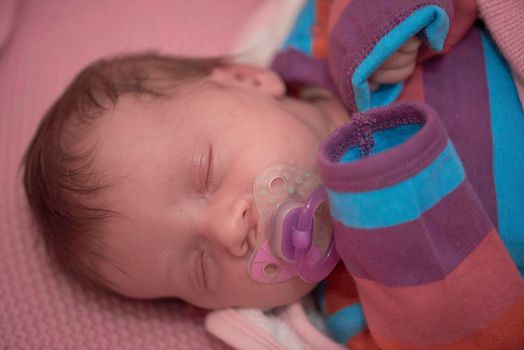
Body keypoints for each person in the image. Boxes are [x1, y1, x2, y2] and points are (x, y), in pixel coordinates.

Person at [23, 0, 524, 348]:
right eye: (201, 268)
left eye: (205, 173)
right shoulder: (355, 311)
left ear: (247, 80)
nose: (227, 232)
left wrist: (378, 31)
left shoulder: (324, 44)